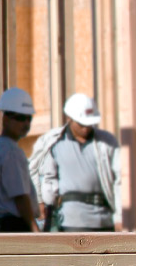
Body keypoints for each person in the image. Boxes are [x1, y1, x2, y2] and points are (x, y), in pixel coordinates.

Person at [28, 93, 122, 232]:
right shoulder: (53, 141)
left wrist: (119, 217)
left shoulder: (106, 142)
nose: (86, 128)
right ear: (69, 118)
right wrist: (40, 201)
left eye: (89, 124)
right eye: (81, 123)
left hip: (103, 221)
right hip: (69, 222)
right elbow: (37, 171)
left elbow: (119, 180)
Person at [0, 88, 39, 232]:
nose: (26, 124)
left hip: (2, 225)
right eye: (21, 118)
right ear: (6, 118)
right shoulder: (11, 151)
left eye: (29, 118)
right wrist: (34, 229)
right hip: (16, 226)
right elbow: (20, 197)